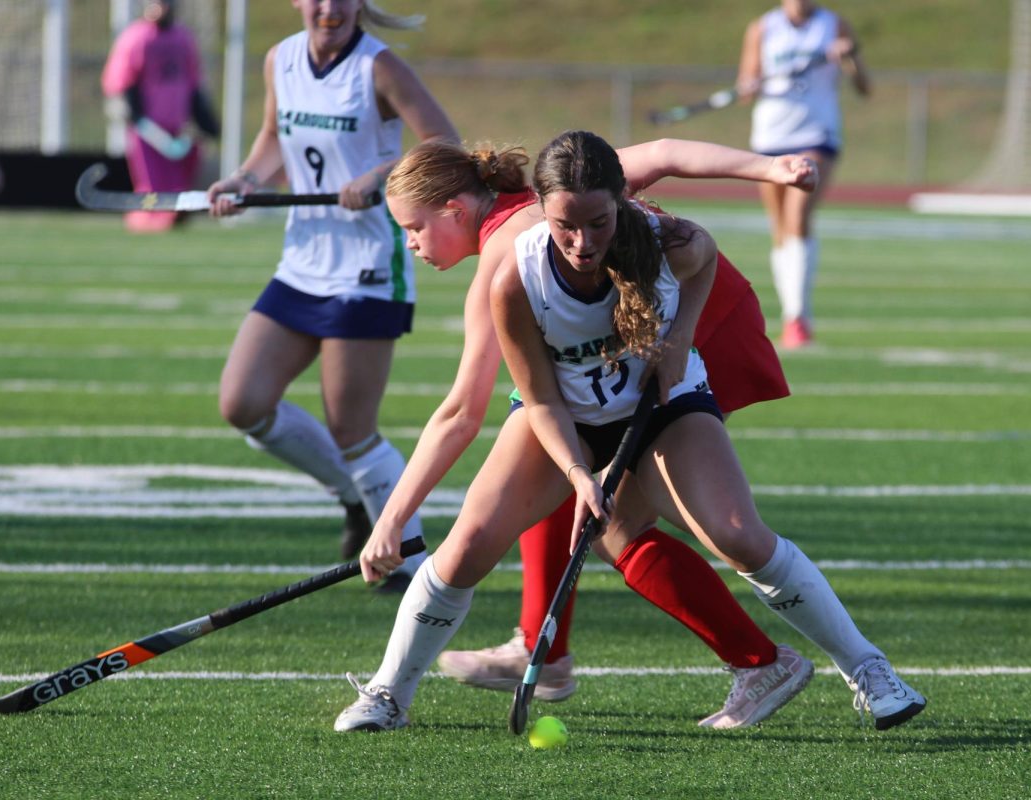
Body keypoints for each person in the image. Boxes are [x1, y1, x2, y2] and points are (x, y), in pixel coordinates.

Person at [334, 130, 925, 734]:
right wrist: (575, 476)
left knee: (737, 534)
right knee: (467, 545)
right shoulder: (512, 278)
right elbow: (536, 399)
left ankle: (870, 670)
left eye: (598, 222)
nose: (583, 242)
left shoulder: (660, 239)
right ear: (542, 207)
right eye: (566, 225)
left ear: (618, 202)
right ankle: (387, 694)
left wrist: (680, 342)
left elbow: (704, 256)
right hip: (567, 415)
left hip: (662, 406)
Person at [207, 0, 458, 587]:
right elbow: (274, 137)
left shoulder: (379, 67)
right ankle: (353, 497)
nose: (329, 8)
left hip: (366, 267)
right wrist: (245, 179)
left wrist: (382, 177)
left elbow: (446, 142)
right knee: (242, 402)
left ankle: (415, 565)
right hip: (302, 263)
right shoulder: (280, 60)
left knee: (352, 429)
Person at [737, 0, 870, 348]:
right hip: (771, 137)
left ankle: (799, 318)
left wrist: (849, 56)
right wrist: (749, 86)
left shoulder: (834, 24)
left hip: (816, 136)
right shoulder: (762, 28)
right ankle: (790, 315)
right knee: (780, 227)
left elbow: (864, 87)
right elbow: (745, 88)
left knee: (798, 216)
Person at [101, 0, 220, 233]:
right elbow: (122, 79)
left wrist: (205, 119)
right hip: (148, 130)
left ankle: (174, 212)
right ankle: (151, 218)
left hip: (177, 127)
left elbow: (193, 82)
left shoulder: (183, 38)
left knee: (179, 177)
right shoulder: (136, 37)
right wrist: (132, 111)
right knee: (152, 181)